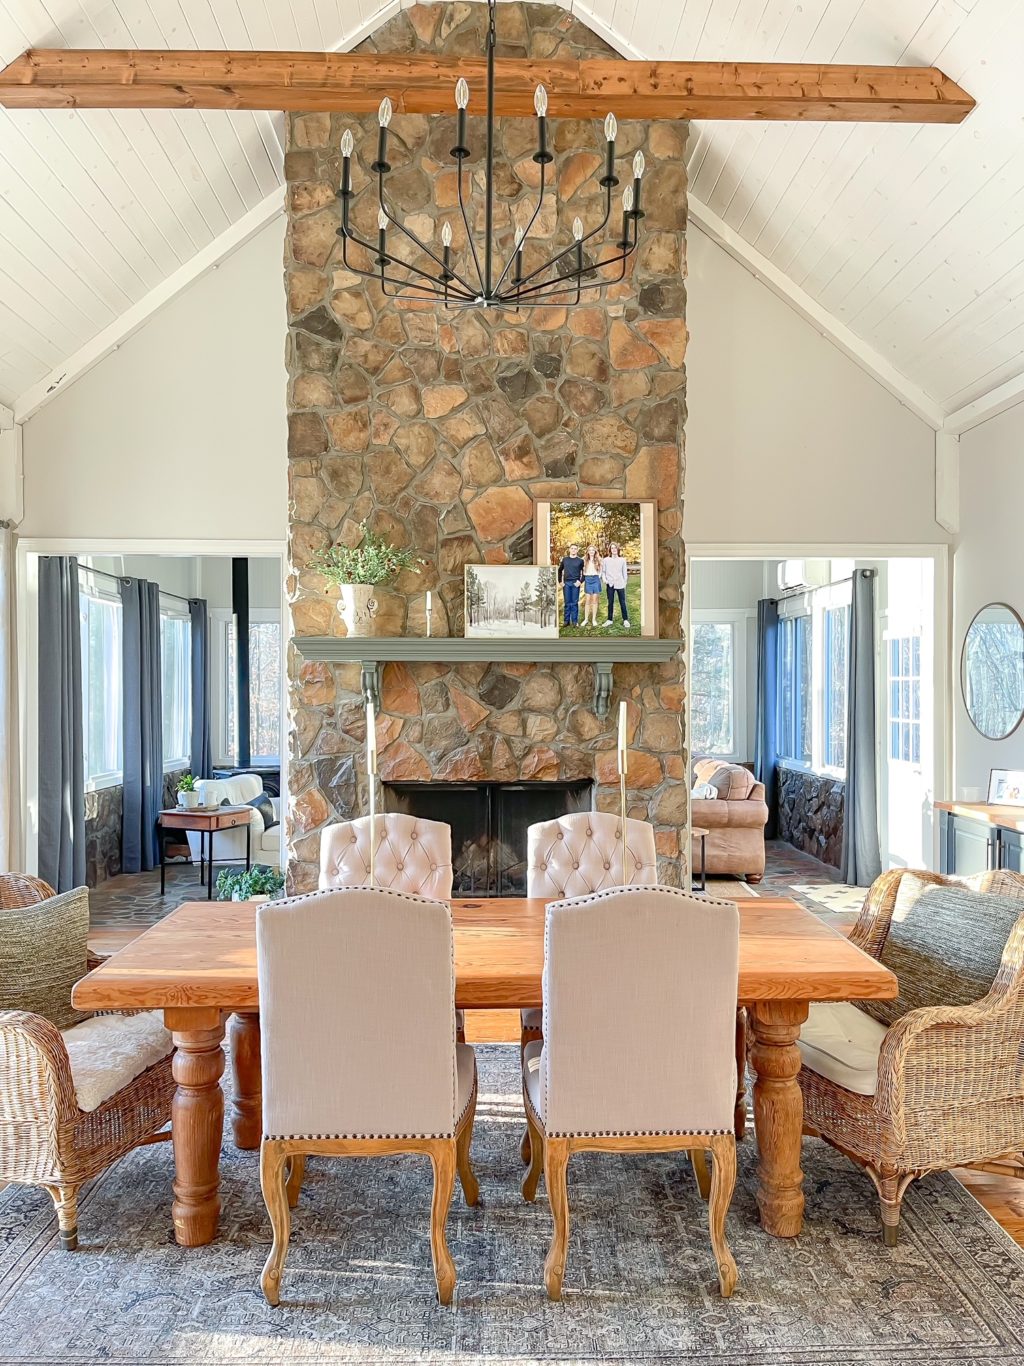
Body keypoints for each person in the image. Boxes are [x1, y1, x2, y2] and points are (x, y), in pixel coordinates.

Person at [602, 542, 630, 628]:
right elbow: (603, 572)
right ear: (610, 550)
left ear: (617, 549)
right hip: (610, 584)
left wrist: (624, 582)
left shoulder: (622, 560)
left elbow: (624, 573)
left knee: (622, 602)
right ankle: (609, 620)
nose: (613, 549)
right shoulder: (606, 560)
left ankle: (625, 620)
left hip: (620, 584)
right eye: (612, 548)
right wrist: (605, 580)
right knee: (610, 602)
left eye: (615, 548)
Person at [557, 543, 584, 627]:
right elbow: (559, 570)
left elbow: (584, 572)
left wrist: (580, 581)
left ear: (577, 550)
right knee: (567, 603)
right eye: (572, 548)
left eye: (575, 548)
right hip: (566, 584)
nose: (573, 550)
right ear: (569, 549)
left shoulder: (580, 561)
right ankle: (566, 621)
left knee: (574, 603)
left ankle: (575, 621)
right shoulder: (565, 560)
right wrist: (560, 582)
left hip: (575, 583)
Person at [581, 545, 603, 627]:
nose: (591, 551)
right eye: (589, 550)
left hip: (595, 579)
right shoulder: (584, 560)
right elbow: (581, 570)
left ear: (595, 551)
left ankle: (594, 619)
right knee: (587, 600)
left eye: (593, 550)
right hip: (588, 579)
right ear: (587, 551)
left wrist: (598, 576)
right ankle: (586, 619)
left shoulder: (598, 559)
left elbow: (601, 570)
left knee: (594, 600)